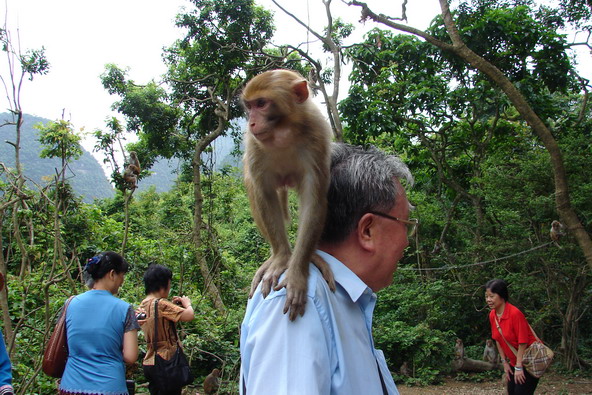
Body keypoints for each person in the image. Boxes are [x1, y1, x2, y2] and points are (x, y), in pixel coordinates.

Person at [240, 143, 416, 395]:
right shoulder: (302, 297)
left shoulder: (343, 300)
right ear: (367, 230)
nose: (407, 241)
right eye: (405, 224)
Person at [59, 251, 140, 395]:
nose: (122, 282)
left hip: (70, 386)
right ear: (112, 274)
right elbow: (130, 356)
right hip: (110, 387)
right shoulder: (124, 309)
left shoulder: (70, 304)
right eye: (122, 276)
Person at [140, 264, 195, 395]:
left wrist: (174, 306)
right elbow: (189, 315)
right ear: (163, 285)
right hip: (167, 361)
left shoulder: (144, 304)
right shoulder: (161, 304)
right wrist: (188, 304)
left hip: (150, 360)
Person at [485, 278, 539, 395]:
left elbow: (523, 342)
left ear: (502, 296)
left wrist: (519, 367)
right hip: (514, 362)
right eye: (487, 296)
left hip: (528, 361)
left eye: (492, 296)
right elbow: (497, 339)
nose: (488, 300)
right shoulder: (492, 315)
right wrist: (505, 362)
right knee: (511, 391)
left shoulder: (515, 314)